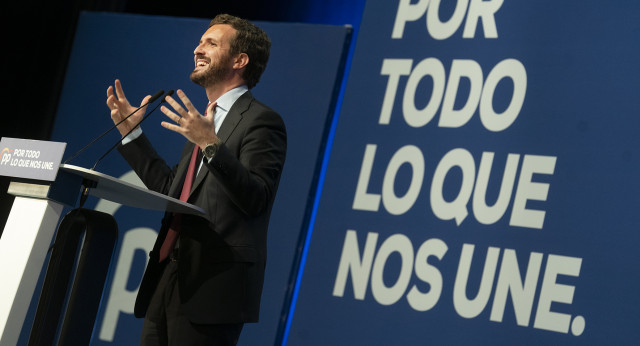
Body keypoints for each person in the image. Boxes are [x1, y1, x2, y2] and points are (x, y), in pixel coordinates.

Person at [105, 14, 287, 345]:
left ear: (240, 60)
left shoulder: (262, 122)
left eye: (211, 44)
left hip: (213, 288)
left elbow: (256, 197)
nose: (197, 49)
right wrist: (132, 136)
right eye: (200, 42)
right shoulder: (205, 120)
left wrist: (211, 144)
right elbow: (172, 191)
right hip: (169, 275)